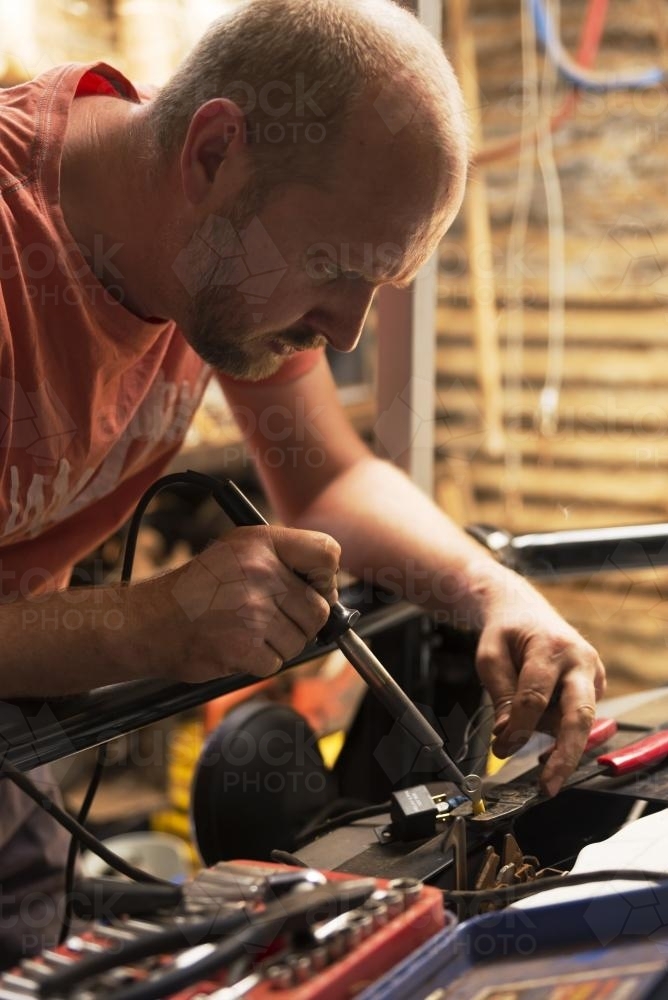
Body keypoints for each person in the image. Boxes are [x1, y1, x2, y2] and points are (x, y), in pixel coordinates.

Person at [0, 0, 604, 961]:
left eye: (377, 283)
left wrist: (498, 592)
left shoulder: (203, 231)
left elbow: (326, 481)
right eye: (330, 266)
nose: (348, 332)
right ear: (213, 153)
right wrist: (148, 624)